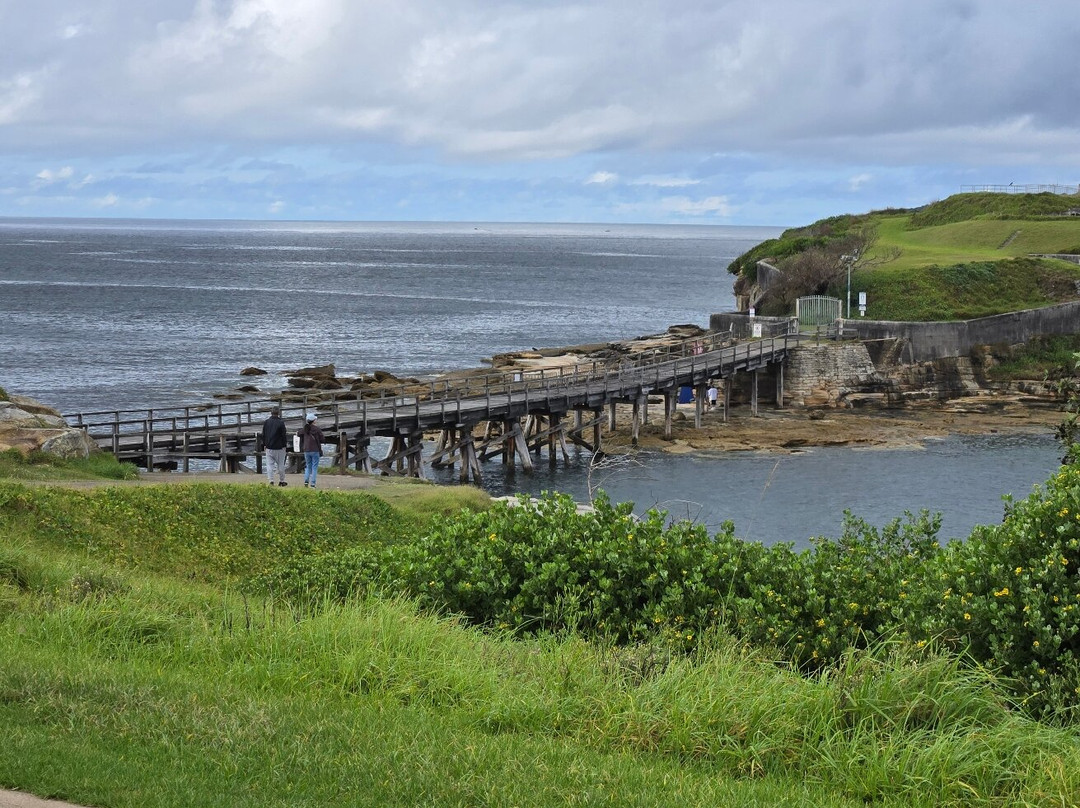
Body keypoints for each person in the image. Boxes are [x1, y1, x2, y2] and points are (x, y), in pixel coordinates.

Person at [261, 407, 288, 486]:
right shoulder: (281, 422)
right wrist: (284, 445)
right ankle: (281, 480)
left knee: (269, 465)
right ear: (278, 413)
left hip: (269, 446)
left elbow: (263, 434)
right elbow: (283, 435)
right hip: (279, 447)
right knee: (280, 464)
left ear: (271, 413)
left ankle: (271, 480)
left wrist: (264, 444)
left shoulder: (266, 422)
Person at [299, 412, 324, 488]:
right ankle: (313, 484)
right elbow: (322, 438)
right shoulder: (317, 429)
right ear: (313, 420)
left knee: (308, 466)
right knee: (314, 467)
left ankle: (306, 481)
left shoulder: (305, 429)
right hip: (315, 449)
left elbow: (298, 433)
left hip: (306, 449)